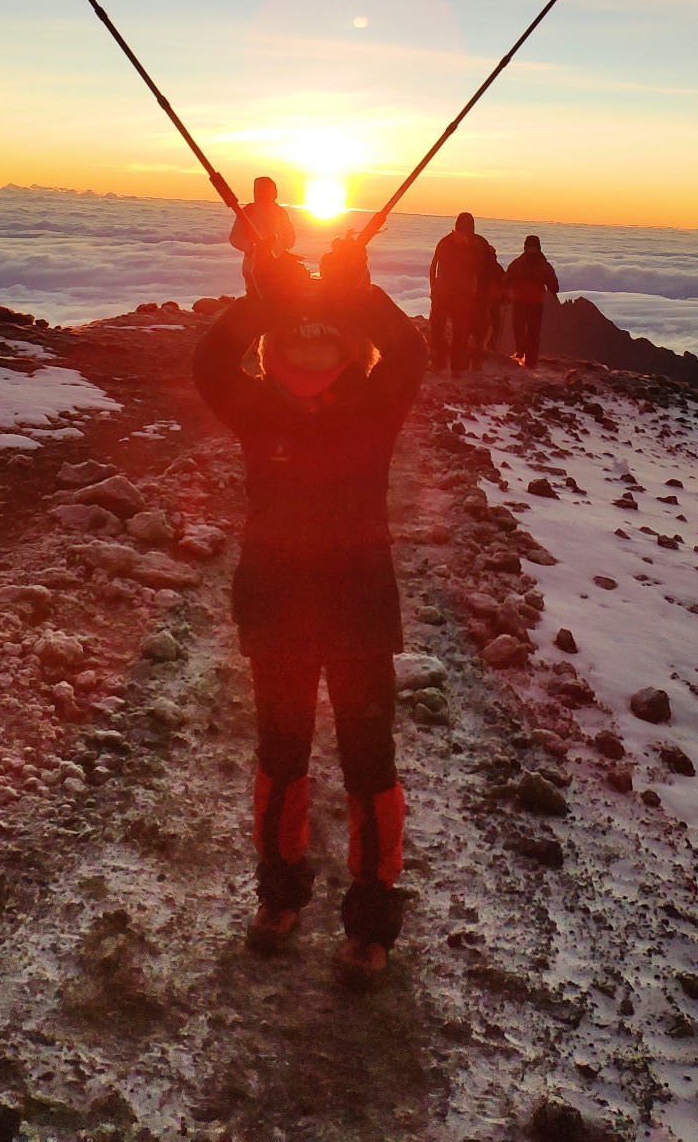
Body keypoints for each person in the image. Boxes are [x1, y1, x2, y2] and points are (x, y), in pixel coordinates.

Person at [191, 237, 427, 984]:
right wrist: (267, 297)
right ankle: (281, 893)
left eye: (327, 348)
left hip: (357, 609)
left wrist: (353, 292)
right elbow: (207, 365)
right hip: (278, 607)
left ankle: (369, 918)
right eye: (296, 346)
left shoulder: (371, 408)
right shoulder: (260, 411)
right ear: (274, 353)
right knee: (281, 754)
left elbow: (411, 352)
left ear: (351, 356)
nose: (310, 363)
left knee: (369, 763)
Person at [427, 212, 498, 373]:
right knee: (446, 329)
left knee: (458, 331)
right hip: (452, 293)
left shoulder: (474, 244)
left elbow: (478, 268)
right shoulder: (452, 242)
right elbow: (435, 265)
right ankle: (447, 363)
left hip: (460, 294)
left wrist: (434, 289)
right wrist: (434, 290)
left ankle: (453, 365)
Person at [228, 174, 296, 288]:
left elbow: (290, 236)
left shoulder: (280, 212)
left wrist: (282, 250)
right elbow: (235, 238)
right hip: (254, 267)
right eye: (260, 189)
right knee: (256, 300)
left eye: (267, 189)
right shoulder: (248, 212)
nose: (263, 192)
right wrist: (252, 247)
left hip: (278, 268)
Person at [504, 233, 560, 368]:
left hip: (534, 303)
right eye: (530, 247)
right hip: (524, 301)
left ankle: (530, 360)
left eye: (534, 248)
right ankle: (522, 352)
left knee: (532, 332)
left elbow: (553, 283)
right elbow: (507, 279)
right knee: (520, 329)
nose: (532, 250)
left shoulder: (522, 263)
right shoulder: (538, 265)